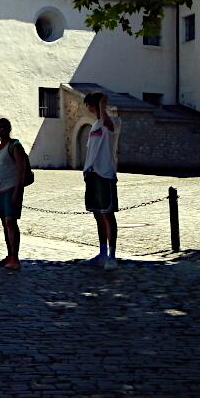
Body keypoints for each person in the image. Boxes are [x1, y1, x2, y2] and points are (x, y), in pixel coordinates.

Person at [82, 91, 120, 270]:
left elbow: (110, 127)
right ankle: (102, 252)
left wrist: (102, 106)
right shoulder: (94, 126)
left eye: (89, 105)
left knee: (107, 214)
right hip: (92, 174)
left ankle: (112, 256)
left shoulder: (112, 122)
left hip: (105, 174)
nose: (88, 109)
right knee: (98, 214)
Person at [0, 117, 29, 270]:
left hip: (12, 189)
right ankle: (9, 254)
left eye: (3, 127)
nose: (0, 130)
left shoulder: (15, 146)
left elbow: (21, 169)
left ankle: (15, 257)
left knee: (11, 222)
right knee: (4, 224)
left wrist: (17, 192)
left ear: (9, 128)